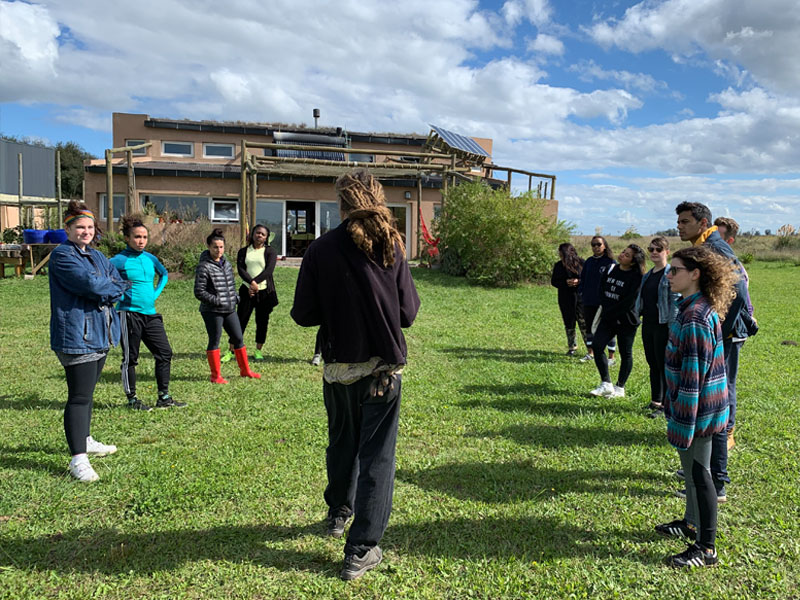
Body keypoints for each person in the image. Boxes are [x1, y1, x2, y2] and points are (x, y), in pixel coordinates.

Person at [291, 169, 420, 581]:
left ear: (341, 204)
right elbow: (408, 313)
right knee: (377, 455)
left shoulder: (320, 249)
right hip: (382, 370)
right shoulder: (392, 245)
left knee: (341, 442)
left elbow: (303, 313)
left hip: (338, 368)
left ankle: (338, 513)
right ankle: (361, 549)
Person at [655, 245, 736, 568]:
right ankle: (690, 524)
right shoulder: (692, 307)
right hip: (697, 408)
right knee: (691, 472)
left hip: (698, 412)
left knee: (701, 475)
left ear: (695, 274)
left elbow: (692, 378)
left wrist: (683, 426)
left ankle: (706, 547)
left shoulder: (695, 318)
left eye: (675, 270)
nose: (669, 276)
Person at [675, 202, 757, 501]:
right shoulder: (703, 245)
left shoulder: (715, 246)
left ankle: (716, 481)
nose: (679, 226)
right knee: (708, 401)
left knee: (716, 401)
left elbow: (739, 289)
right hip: (717, 331)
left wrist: (720, 330)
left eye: (685, 221)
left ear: (702, 222)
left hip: (726, 335)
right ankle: (703, 470)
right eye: (678, 221)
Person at [49, 201, 126, 482]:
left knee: (88, 393)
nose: (86, 231)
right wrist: (108, 287)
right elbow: (92, 285)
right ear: (68, 229)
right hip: (76, 335)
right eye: (80, 227)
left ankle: (85, 438)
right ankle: (78, 459)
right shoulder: (62, 255)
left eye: (90, 227)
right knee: (79, 397)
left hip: (100, 332)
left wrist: (108, 287)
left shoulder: (97, 256)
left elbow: (117, 282)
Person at [110, 215, 185, 411]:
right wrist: (119, 295)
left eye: (144, 237)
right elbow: (104, 279)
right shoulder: (118, 260)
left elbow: (164, 274)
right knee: (130, 358)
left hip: (150, 314)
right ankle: (132, 400)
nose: (141, 241)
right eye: (137, 237)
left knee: (164, 353)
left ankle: (164, 397)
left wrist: (154, 294)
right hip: (128, 314)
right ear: (127, 238)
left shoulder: (150, 258)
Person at [194, 228, 261, 383]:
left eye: (221, 247)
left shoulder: (227, 264)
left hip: (229, 309)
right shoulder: (204, 266)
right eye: (215, 247)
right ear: (209, 247)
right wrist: (218, 301)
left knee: (238, 338)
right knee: (214, 340)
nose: (219, 250)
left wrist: (235, 297)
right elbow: (199, 292)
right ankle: (215, 376)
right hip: (212, 311)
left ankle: (245, 371)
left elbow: (230, 285)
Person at [589, 244, 645, 398]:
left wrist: (612, 312)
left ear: (633, 262)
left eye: (627, 255)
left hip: (626, 320)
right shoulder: (611, 268)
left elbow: (629, 301)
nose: (622, 255)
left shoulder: (637, 277)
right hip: (608, 317)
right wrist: (607, 310)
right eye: (623, 252)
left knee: (625, 353)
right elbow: (601, 290)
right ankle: (606, 383)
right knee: (597, 346)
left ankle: (620, 387)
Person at [635, 237, 679, 418]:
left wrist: (672, 327)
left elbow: (675, 302)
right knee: (652, 363)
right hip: (648, 324)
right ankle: (656, 400)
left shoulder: (670, 274)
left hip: (663, 325)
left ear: (667, 252)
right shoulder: (648, 275)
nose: (654, 252)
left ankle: (666, 406)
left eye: (658, 249)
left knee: (664, 365)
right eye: (651, 249)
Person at [220, 224, 278, 363]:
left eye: (263, 234)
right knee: (240, 321)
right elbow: (241, 269)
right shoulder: (244, 251)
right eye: (257, 233)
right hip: (246, 291)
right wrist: (251, 283)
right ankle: (231, 350)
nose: (259, 236)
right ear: (252, 234)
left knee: (262, 322)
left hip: (265, 293)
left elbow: (269, 270)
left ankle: (258, 351)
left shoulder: (270, 252)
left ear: (266, 237)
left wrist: (255, 283)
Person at [578, 236, 617, 364]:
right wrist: (581, 292)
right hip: (589, 300)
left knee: (608, 328)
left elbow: (615, 281)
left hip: (604, 302)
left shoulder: (610, 262)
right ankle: (591, 353)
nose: (596, 247)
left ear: (604, 245)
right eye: (593, 244)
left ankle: (611, 357)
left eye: (598, 244)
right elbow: (583, 279)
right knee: (589, 327)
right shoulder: (589, 261)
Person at [550, 243, 588, 356]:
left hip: (580, 298)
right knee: (569, 323)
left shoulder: (581, 263)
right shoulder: (558, 265)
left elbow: (588, 278)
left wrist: (578, 281)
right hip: (565, 298)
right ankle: (572, 347)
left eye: (561, 252)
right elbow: (554, 281)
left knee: (584, 323)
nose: (560, 254)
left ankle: (590, 348)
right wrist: (565, 282)